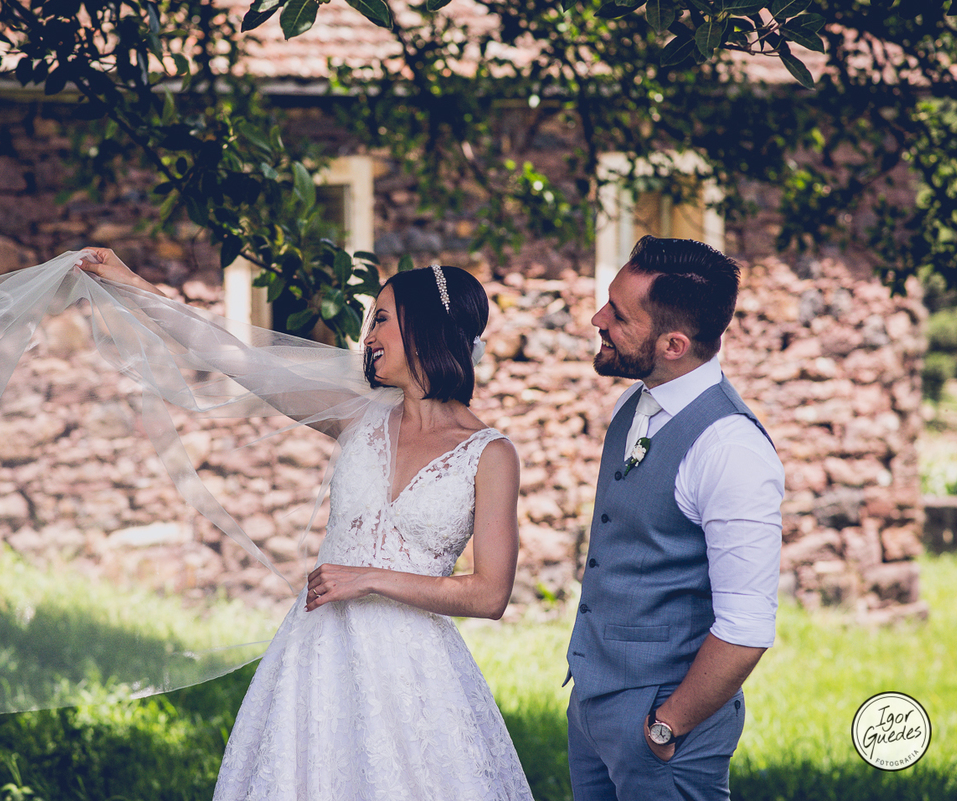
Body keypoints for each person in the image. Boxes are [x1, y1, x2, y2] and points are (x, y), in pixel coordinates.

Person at [76, 248, 534, 800]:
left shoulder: (490, 454)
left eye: (382, 319)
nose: (368, 337)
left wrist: (369, 577)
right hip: (319, 653)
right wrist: (133, 284)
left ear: (426, 330)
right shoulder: (356, 413)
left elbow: (489, 594)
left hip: (414, 672)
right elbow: (235, 357)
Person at [564, 236, 784, 801]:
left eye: (617, 315)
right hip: (594, 710)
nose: (597, 319)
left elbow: (746, 628)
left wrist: (666, 727)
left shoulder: (731, 448)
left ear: (674, 343)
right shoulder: (632, 405)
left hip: (664, 733)